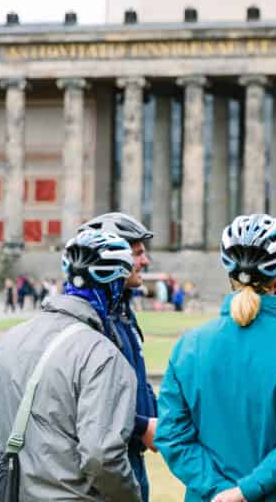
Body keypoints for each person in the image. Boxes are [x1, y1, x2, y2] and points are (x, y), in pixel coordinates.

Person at [0, 230, 142, 501]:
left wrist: (23, 471)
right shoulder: (103, 355)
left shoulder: (6, 341)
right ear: (114, 286)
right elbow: (101, 456)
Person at [157, 214, 276, 502]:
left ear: (230, 276)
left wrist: (219, 490)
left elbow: (172, 435)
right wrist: (246, 490)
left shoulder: (189, 346)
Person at [78, 211, 161, 500]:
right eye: (138, 253)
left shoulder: (123, 315)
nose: (145, 261)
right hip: (108, 466)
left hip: (131, 456)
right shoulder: (92, 323)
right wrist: (143, 426)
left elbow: (136, 383)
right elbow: (89, 404)